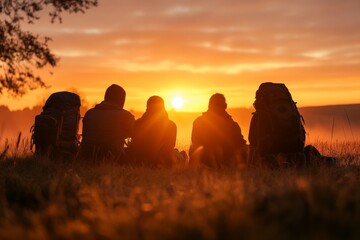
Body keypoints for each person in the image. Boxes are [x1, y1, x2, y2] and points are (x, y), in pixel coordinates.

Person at [189, 93, 247, 168]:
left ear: (209, 106)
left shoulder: (198, 122)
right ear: (225, 106)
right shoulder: (232, 125)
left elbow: (195, 144)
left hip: (202, 162)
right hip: (226, 162)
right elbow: (240, 144)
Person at [80, 84, 135, 161]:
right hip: (113, 157)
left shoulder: (89, 113)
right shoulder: (126, 116)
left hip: (87, 155)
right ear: (122, 100)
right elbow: (133, 136)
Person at [130, 96, 185, 167]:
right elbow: (170, 146)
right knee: (181, 154)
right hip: (162, 161)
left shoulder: (137, 123)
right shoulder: (171, 125)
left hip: (139, 160)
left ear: (147, 107)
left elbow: (134, 143)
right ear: (163, 108)